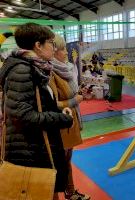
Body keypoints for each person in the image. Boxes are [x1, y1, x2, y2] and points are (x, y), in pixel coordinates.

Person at [0, 23, 73, 200]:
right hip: (29, 150)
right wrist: (61, 119)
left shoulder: (35, 67)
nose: (54, 48)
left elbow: (36, 104)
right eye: (51, 43)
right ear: (38, 45)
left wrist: (58, 109)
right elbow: (22, 115)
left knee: (47, 188)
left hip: (36, 147)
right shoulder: (22, 69)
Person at [49, 34, 90, 200]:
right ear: (53, 51)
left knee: (66, 161)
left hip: (70, 124)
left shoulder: (65, 70)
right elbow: (52, 104)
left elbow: (70, 96)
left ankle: (71, 192)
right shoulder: (51, 73)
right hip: (60, 126)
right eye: (63, 49)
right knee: (59, 164)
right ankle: (65, 193)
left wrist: (81, 94)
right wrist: (75, 100)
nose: (67, 52)